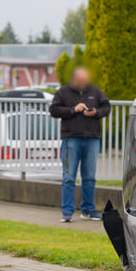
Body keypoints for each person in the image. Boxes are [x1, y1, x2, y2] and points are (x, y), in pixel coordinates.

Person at [49, 67, 111, 222]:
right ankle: (67, 212)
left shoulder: (95, 91)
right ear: (74, 80)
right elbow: (53, 110)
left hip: (92, 138)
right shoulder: (63, 92)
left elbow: (107, 107)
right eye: (80, 81)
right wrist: (73, 110)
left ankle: (88, 209)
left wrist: (96, 112)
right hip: (71, 139)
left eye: (85, 81)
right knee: (69, 177)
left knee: (89, 177)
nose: (83, 84)